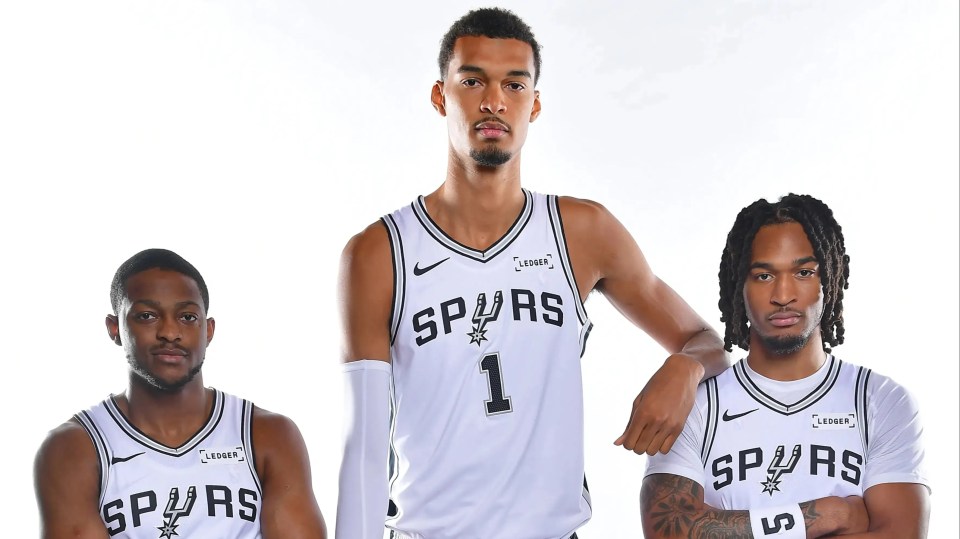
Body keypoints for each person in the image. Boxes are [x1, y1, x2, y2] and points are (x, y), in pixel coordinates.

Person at [335, 7, 728, 539]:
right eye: (472, 80)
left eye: (514, 85)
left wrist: (684, 368)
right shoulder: (379, 251)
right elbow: (363, 445)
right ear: (439, 95)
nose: (493, 101)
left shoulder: (581, 232)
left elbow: (706, 343)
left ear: (534, 104)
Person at [641, 194, 930, 538]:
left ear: (830, 281)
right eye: (763, 276)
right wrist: (829, 513)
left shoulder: (880, 401)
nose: (783, 294)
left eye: (804, 272)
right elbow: (670, 530)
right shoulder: (696, 404)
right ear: (740, 287)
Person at [34, 248, 327, 539]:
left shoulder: (266, 435)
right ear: (115, 328)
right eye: (147, 315)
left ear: (208, 331)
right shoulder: (74, 449)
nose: (170, 332)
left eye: (187, 317)